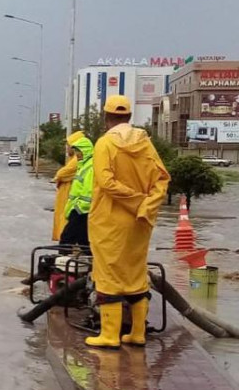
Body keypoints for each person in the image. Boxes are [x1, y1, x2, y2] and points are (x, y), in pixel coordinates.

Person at [85, 95, 170, 349]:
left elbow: (106, 182)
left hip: (110, 221)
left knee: (108, 273)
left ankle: (110, 335)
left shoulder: (104, 144)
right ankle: (137, 333)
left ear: (106, 117)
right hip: (140, 221)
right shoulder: (146, 144)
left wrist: (133, 201)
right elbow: (162, 180)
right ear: (129, 117)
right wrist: (146, 205)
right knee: (135, 273)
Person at [60, 134, 94, 247]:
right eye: (76, 151)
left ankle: (62, 261)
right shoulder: (83, 166)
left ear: (85, 151)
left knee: (66, 239)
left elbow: (88, 192)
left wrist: (77, 209)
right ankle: (93, 262)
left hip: (81, 211)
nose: (77, 154)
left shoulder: (90, 167)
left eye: (79, 151)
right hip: (79, 211)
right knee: (83, 241)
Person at [51, 131, 84, 242]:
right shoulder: (72, 160)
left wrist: (59, 177)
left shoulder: (76, 161)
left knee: (68, 232)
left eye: (68, 145)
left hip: (72, 200)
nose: (66, 148)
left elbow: (61, 174)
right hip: (68, 199)